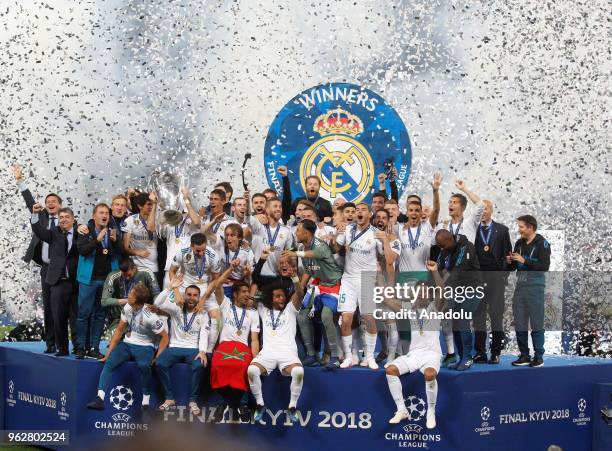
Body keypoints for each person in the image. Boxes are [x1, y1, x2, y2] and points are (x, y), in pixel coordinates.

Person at [86, 282, 169, 417]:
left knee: (144, 366)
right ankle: (100, 399)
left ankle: (145, 403)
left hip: (145, 346)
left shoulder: (151, 318)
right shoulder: (127, 307)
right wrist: (108, 353)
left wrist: (157, 356)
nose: (128, 295)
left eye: (131, 293)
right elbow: (119, 331)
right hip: (127, 343)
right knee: (110, 362)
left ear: (136, 299)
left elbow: (165, 337)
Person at [14, 163, 70, 353]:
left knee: (60, 308)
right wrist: (20, 180)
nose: (51, 203)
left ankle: (64, 343)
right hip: (46, 269)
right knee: (48, 307)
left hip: (62, 270)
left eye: (54, 200)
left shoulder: (66, 220)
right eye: (48, 201)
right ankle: (50, 343)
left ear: (60, 204)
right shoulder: (42, 216)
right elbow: (30, 202)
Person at [336, 202, 398, 369]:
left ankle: (370, 356)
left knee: (368, 318)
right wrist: (336, 232)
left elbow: (390, 259)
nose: (359, 212)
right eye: (357, 210)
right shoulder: (347, 229)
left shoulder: (376, 234)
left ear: (370, 214)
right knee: (346, 319)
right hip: (348, 279)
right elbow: (335, 247)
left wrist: (385, 240)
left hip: (367, 279)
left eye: (363, 210)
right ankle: (349, 357)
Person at [198, 261, 260, 422]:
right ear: (235, 294)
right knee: (218, 365)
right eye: (244, 291)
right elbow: (217, 285)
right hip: (224, 346)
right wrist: (231, 269)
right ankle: (221, 403)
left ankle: (244, 404)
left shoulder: (253, 313)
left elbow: (253, 339)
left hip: (242, 347)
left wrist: (256, 358)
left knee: (246, 367)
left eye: (248, 291)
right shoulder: (225, 305)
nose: (247, 294)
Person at [383, 272, 444, 429]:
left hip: (432, 354)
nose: (422, 294)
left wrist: (435, 271)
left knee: (430, 374)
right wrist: (379, 274)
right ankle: (401, 410)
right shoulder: (409, 308)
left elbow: (442, 290)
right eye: (419, 291)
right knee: (390, 370)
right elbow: (387, 299)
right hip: (414, 354)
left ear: (429, 294)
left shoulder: (434, 307)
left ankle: (431, 412)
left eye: (425, 291)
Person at [283, 219, 343, 368]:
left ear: (307, 232)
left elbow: (312, 254)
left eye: (298, 230)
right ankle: (311, 354)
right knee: (302, 316)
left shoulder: (319, 246)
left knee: (326, 316)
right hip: (319, 285)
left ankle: (335, 356)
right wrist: (300, 290)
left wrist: (295, 253)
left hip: (334, 286)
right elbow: (309, 270)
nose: (296, 232)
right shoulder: (303, 246)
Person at [248, 274, 305, 423]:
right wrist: (253, 276)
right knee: (252, 370)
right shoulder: (263, 310)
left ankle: (292, 406)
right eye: (278, 296)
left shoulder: (291, 309)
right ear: (270, 298)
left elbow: (299, 293)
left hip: (288, 354)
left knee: (298, 372)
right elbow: (249, 298)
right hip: (267, 353)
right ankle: (260, 404)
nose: (282, 299)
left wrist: (295, 279)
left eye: (283, 296)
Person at [154, 275, 209, 416]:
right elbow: (157, 304)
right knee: (159, 363)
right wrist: (170, 288)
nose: (191, 298)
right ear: (185, 296)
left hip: (193, 349)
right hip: (174, 347)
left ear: (199, 297)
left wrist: (202, 351)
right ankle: (169, 398)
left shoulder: (203, 314)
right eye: (189, 295)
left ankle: (193, 401)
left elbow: (204, 334)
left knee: (199, 365)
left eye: (195, 295)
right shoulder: (176, 308)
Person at [30, 204, 79, 356]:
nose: (63, 220)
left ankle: (78, 347)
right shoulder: (54, 233)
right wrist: (35, 215)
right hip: (58, 281)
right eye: (61, 217)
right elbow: (38, 230)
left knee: (76, 317)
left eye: (67, 217)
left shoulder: (81, 233)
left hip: (76, 282)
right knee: (58, 317)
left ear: (73, 220)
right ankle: (62, 348)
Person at [75, 203, 122, 359]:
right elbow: (82, 250)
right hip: (88, 281)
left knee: (100, 315)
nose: (104, 216)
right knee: (83, 314)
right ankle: (80, 347)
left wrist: (115, 242)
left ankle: (94, 347)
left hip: (106, 281)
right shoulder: (85, 231)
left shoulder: (113, 232)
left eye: (107, 214)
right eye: (101, 213)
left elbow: (120, 254)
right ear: (94, 216)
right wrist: (97, 240)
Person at [507, 215, 551, 368]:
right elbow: (513, 267)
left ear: (531, 227)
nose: (519, 230)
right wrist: (510, 262)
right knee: (519, 322)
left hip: (535, 287)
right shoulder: (519, 243)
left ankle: (538, 357)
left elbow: (544, 266)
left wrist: (525, 261)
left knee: (536, 322)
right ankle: (524, 355)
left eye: (521, 227)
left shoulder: (542, 244)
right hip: (520, 287)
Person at [434, 229, 481, 371]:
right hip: (456, 290)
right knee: (455, 322)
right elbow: (440, 268)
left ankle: (468, 357)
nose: (441, 249)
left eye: (443, 245)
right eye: (439, 246)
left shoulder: (466, 246)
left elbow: (457, 271)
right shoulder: (444, 251)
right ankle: (461, 357)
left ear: (450, 240)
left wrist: (443, 282)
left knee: (462, 319)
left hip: (472, 289)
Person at [168, 233, 222, 353]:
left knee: (216, 316)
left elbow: (215, 280)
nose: (201, 253)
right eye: (198, 250)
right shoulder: (182, 252)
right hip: (184, 286)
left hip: (204, 288)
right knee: (164, 308)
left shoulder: (213, 255)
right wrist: (176, 291)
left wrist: (203, 299)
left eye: (203, 249)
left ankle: (208, 351)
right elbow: (172, 272)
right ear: (192, 246)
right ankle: (166, 345)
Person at [473, 200, 512, 364]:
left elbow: (508, 255)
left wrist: (503, 275)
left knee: (496, 316)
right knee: (478, 317)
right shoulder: (472, 229)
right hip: (477, 278)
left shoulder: (502, 230)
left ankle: (495, 352)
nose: (483, 211)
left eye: (486, 208)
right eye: (480, 209)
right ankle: (480, 352)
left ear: (491, 210)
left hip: (496, 279)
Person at [101, 257, 160, 335]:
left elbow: (156, 293)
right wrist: (128, 301)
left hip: (142, 315)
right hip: (121, 317)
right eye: (124, 275)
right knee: (110, 340)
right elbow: (104, 301)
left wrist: (155, 306)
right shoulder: (113, 276)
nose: (127, 278)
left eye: (129, 275)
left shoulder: (146, 272)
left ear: (134, 268)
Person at [159, 186, 201, 289]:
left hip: (187, 269)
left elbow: (197, 222)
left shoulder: (190, 219)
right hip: (170, 268)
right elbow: (155, 227)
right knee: (166, 301)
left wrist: (186, 198)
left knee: (186, 301)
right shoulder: (168, 220)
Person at [247, 198, 293, 277]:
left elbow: (289, 254)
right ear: (267, 210)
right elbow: (248, 218)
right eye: (275, 206)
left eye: (280, 207)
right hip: (258, 275)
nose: (278, 209)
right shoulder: (258, 226)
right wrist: (247, 202)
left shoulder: (286, 231)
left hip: (277, 276)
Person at [121, 192, 160, 282]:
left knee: (152, 296)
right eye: (148, 204)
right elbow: (125, 247)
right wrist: (136, 252)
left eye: (153, 204)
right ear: (140, 206)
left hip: (154, 268)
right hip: (136, 268)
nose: (151, 207)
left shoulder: (157, 220)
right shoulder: (130, 220)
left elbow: (151, 227)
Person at [436, 179, 484, 244]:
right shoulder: (442, 226)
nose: (451, 204)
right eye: (450, 202)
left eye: (454, 202)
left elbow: (481, 205)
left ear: (463, 207)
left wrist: (464, 189)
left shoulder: (469, 223)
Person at [218, 224, 255, 299]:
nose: (228, 238)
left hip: (239, 286)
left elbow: (251, 272)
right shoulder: (221, 247)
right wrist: (219, 277)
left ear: (239, 238)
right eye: (227, 235)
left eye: (232, 235)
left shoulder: (247, 251)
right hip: (224, 284)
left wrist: (247, 273)